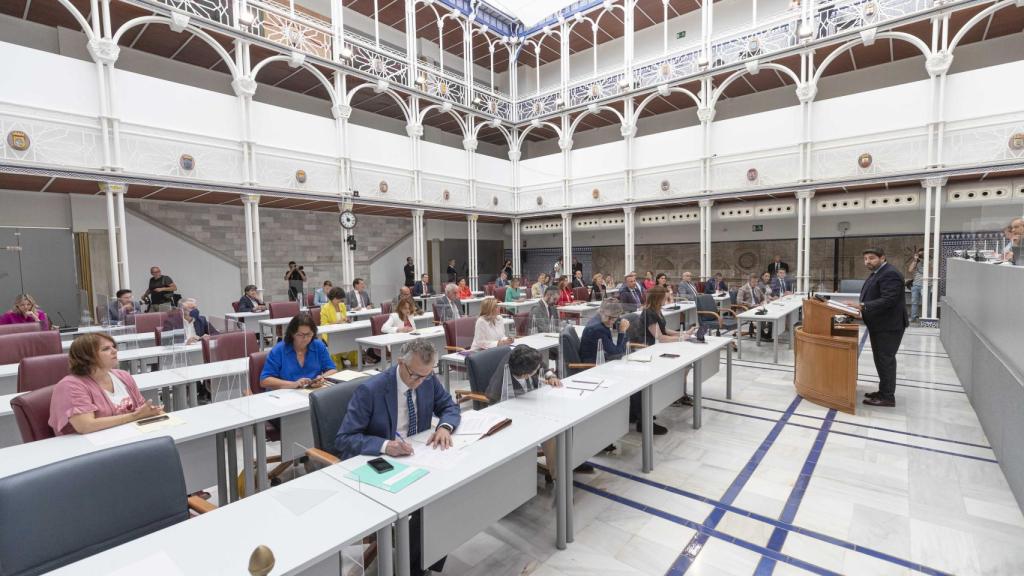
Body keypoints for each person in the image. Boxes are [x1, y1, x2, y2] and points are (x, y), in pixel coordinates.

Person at [334, 339, 460, 576]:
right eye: (415, 376)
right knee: (427, 506)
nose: (420, 382)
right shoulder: (371, 390)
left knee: (446, 495)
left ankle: (421, 563)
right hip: (380, 464)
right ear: (401, 362)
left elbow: (450, 407)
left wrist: (444, 427)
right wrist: (384, 445)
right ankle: (412, 569)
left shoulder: (428, 380)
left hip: (417, 456)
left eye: (426, 376)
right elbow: (344, 439)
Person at [49, 333, 163, 435]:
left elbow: (142, 408)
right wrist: (134, 416)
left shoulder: (123, 376)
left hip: (126, 436)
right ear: (86, 357)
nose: (114, 351)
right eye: (106, 349)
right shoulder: (70, 385)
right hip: (88, 446)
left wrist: (154, 412)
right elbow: (86, 426)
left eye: (113, 347)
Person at [859, 248, 908, 407]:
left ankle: (887, 397)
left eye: (871, 258)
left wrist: (863, 306)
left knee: (885, 360)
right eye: (865, 259)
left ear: (882, 258)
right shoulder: (878, 273)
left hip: (888, 326)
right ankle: (883, 391)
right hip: (879, 325)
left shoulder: (890, 273)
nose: (867, 261)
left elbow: (888, 300)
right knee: (881, 360)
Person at [640, 287, 697, 414]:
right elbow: (660, 337)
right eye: (664, 298)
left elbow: (664, 330)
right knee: (681, 363)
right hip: (650, 349)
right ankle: (675, 395)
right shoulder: (648, 312)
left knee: (686, 364)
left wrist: (683, 333)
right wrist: (681, 338)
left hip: (659, 346)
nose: (666, 300)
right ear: (657, 298)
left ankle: (680, 393)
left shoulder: (657, 310)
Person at [260, 313, 337, 390]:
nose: (305, 338)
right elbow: (264, 381)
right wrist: (293, 384)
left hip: (311, 391)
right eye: (300, 335)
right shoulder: (279, 350)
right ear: (292, 334)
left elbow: (332, 370)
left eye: (309, 334)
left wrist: (322, 378)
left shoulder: (318, 346)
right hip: (286, 393)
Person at [320, 286, 357, 369]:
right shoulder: (325, 308)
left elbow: (344, 318)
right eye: (338, 299)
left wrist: (347, 320)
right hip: (330, 334)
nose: (340, 301)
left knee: (353, 339)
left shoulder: (342, 305)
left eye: (341, 299)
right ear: (333, 297)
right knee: (337, 343)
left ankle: (350, 360)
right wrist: (337, 322)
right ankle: (339, 361)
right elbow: (323, 325)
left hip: (342, 331)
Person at [737, 274, 772, 339]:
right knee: (763, 314)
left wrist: (763, 301)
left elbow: (763, 298)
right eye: (753, 282)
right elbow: (739, 301)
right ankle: (762, 334)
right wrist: (752, 305)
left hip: (757, 307)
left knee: (770, 312)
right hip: (746, 309)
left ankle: (768, 333)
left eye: (756, 282)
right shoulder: (742, 289)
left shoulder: (757, 288)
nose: (755, 284)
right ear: (749, 281)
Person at [907, 248, 926, 322]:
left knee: (926, 302)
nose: (921, 255)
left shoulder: (929, 261)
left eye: (922, 254)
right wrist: (915, 260)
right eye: (920, 254)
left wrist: (924, 261)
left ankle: (926, 317)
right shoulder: (916, 262)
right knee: (914, 302)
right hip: (916, 285)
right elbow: (910, 270)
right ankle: (913, 318)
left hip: (926, 285)